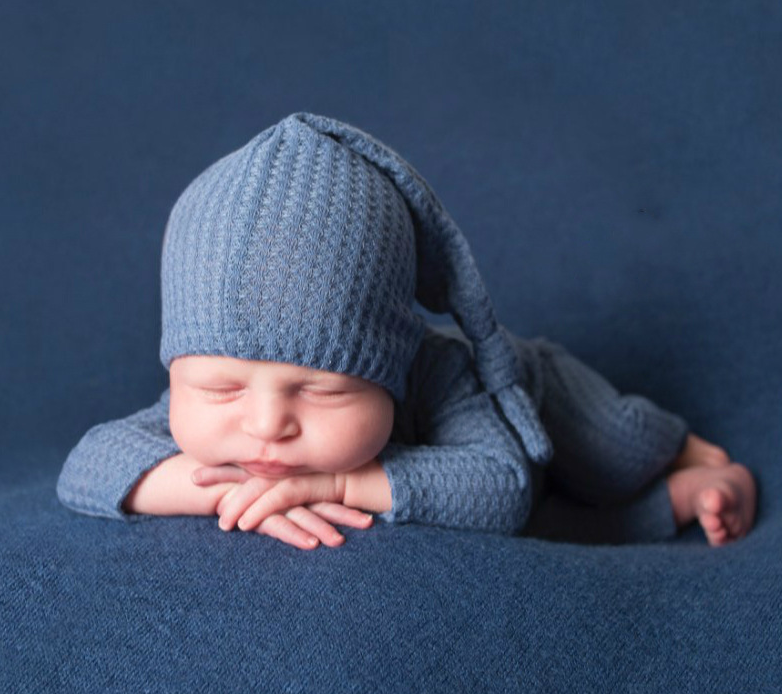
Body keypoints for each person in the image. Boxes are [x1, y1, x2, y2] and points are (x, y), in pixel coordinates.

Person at [56, 112, 757, 550]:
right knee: (561, 536)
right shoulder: (206, 411)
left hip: (540, 395)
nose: (267, 424)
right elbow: (83, 466)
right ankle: (691, 501)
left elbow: (503, 489)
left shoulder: (444, 374)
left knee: (613, 456)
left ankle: (694, 453)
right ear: (181, 371)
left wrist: (336, 483)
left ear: (389, 360)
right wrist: (208, 487)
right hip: (535, 520)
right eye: (220, 386)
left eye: (321, 389)